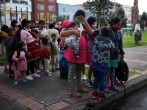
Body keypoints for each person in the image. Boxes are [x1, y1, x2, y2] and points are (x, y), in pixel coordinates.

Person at [60, 10, 93, 98]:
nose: (79, 18)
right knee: (72, 71)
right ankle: (71, 90)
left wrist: (84, 21)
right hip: (72, 51)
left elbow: (91, 33)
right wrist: (73, 32)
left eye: (82, 16)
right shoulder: (68, 23)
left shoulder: (83, 24)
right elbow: (62, 33)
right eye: (78, 16)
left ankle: (79, 87)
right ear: (75, 15)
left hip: (81, 52)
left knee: (79, 70)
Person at [92, 26, 115, 99]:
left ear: (101, 32)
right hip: (103, 62)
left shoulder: (96, 39)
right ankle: (101, 93)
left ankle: (94, 92)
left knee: (96, 77)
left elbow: (94, 47)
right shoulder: (109, 41)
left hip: (95, 61)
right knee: (102, 77)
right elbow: (113, 49)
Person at [107, 17, 125, 92]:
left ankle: (112, 85)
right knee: (107, 70)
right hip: (107, 55)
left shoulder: (119, 33)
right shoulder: (107, 30)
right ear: (113, 24)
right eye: (118, 25)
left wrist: (122, 53)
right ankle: (105, 84)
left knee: (113, 70)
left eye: (120, 25)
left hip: (115, 55)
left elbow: (120, 44)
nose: (120, 26)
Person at [86, 16, 99, 87]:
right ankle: (89, 80)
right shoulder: (89, 28)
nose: (95, 23)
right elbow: (92, 34)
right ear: (92, 22)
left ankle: (94, 79)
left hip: (95, 48)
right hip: (91, 48)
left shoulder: (94, 28)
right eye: (95, 21)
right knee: (91, 65)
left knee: (94, 65)